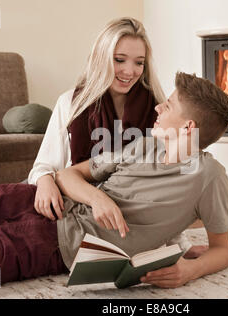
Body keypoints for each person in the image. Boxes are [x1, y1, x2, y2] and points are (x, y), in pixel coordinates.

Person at [0, 72, 228, 297]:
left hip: (48, 247)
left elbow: (223, 250)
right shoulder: (144, 145)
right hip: (28, 199)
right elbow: (68, 175)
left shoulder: (209, 177)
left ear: (188, 127)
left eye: (168, 106)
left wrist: (189, 270)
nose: (157, 109)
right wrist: (99, 200)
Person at [28, 17, 202, 257]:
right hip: (74, 203)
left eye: (139, 63)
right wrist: (45, 179)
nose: (129, 71)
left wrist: (180, 244)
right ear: (101, 57)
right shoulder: (70, 103)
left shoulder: (160, 111)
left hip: (127, 219)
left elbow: (171, 184)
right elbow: (44, 165)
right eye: (119, 60)